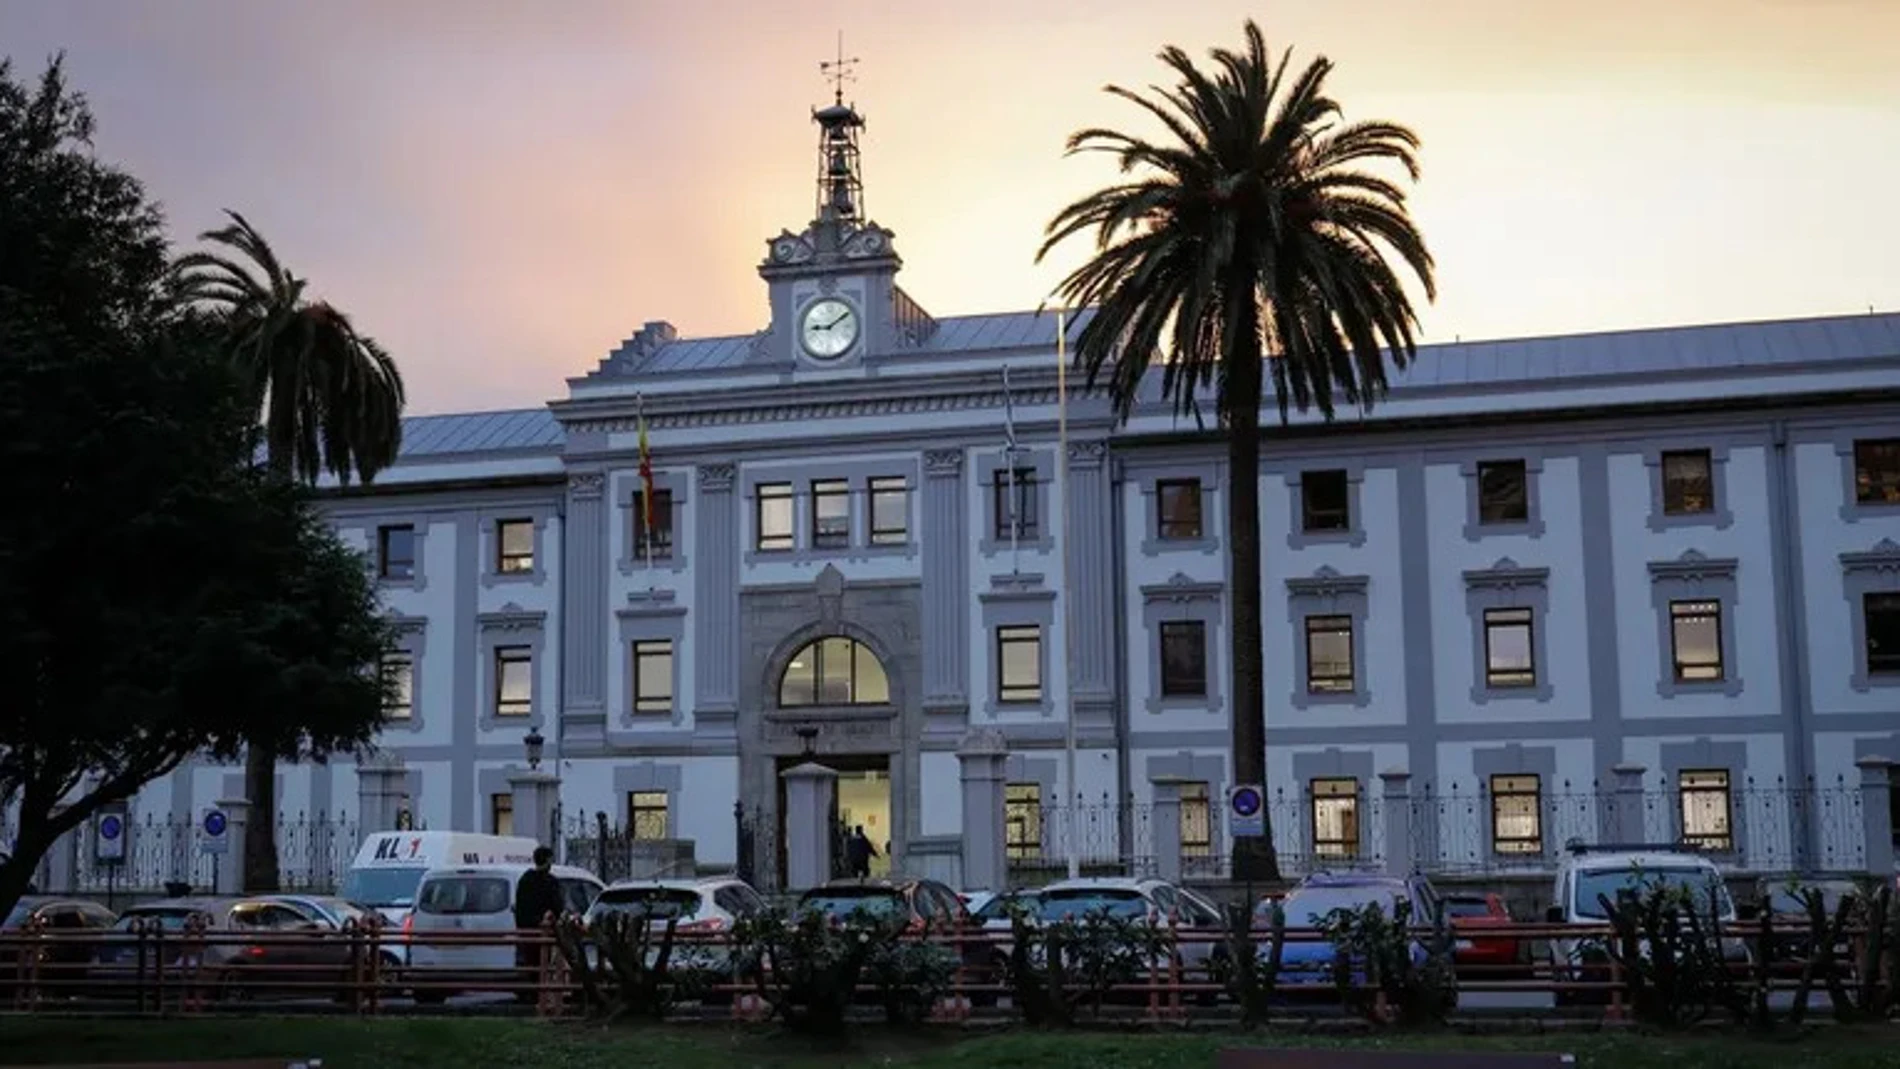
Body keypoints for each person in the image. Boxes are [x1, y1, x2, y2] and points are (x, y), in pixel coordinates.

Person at [513, 846, 562, 1001]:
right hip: (544, 932)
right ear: (547, 860)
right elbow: (557, 906)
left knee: (531, 965)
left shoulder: (525, 880)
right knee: (544, 965)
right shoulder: (550, 882)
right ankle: (540, 997)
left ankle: (533, 995)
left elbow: (519, 907)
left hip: (528, 931)